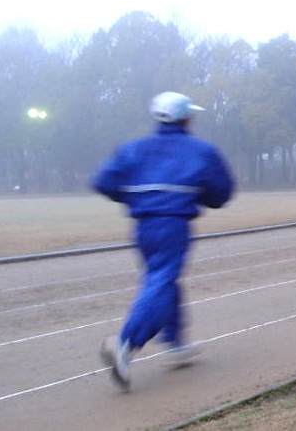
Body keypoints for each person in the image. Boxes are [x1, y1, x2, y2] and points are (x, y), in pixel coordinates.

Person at [92, 91, 234, 391]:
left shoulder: (133, 149)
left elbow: (103, 181)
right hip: (173, 224)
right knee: (161, 281)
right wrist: (200, 196)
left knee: (162, 280)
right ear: (186, 117)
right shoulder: (200, 150)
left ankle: (175, 343)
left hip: (143, 226)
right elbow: (221, 193)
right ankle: (124, 344)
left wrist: (134, 196)